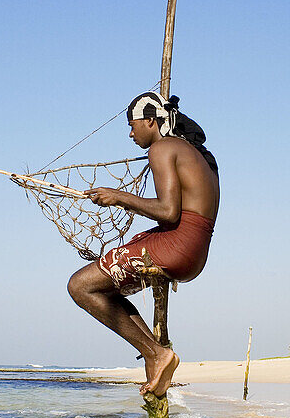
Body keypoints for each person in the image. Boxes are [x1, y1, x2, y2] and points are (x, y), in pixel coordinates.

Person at [67, 92, 219, 397]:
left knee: (80, 286)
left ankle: (157, 353)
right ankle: (156, 364)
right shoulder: (196, 154)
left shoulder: (162, 148)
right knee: (107, 290)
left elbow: (168, 210)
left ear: (151, 121)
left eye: (133, 124)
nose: (130, 132)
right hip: (195, 251)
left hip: (177, 245)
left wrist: (118, 196)